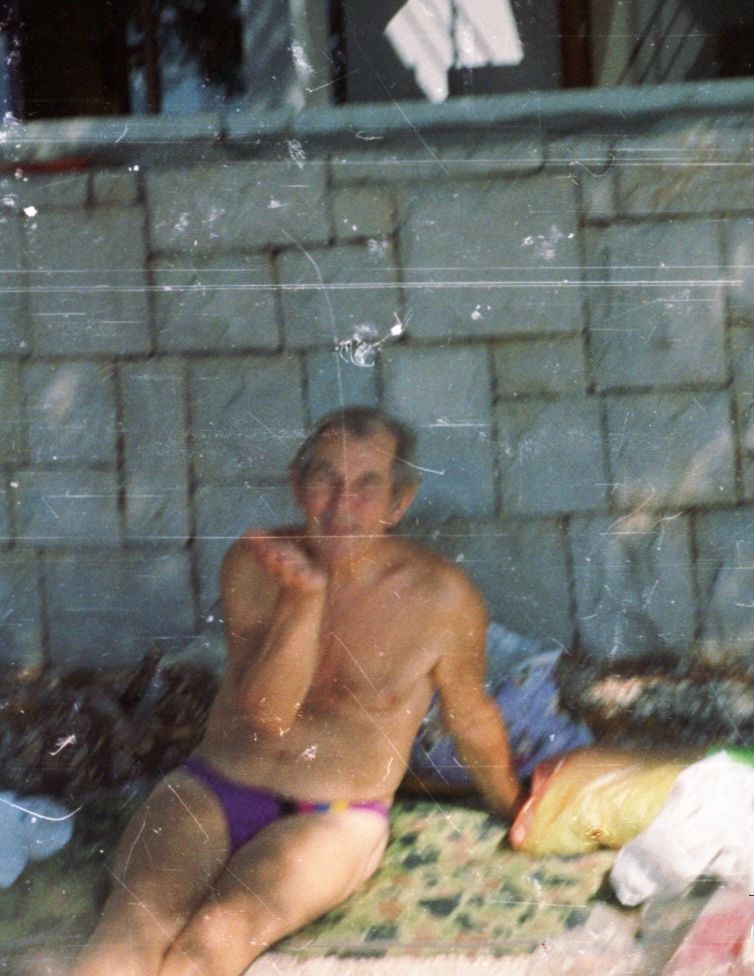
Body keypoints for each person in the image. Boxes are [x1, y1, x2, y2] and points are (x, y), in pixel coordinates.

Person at [70, 407, 522, 976]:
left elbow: (471, 717)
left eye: (366, 485)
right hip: (214, 786)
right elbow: (268, 714)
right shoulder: (256, 563)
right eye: (325, 479)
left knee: (213, 942)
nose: (341, 504)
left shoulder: (443, 598)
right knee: (128, 930)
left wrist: (517, 809)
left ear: (397, 504)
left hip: (334, 818)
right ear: (297, 485)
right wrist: (303, 602)